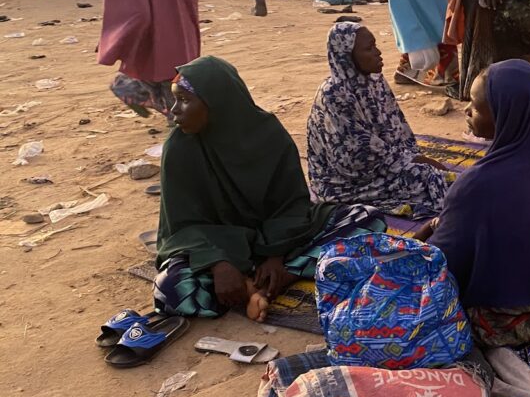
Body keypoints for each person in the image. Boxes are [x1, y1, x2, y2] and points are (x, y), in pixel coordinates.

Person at [154, 56, 384, 321]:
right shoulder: (179, 147)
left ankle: (282, 276)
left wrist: (275, 253)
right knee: (169, 288)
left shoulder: (267, 133)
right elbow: (181, 225)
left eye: (183, 99)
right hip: (218, 247)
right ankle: (253, 284)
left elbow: (292, 202)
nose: (174, 110)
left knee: (366, 219)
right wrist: (218, 263)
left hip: (281, 238)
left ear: (217, 102)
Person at [416, 60, 530, 348]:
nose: (466, 110)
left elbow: (442, 263)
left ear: (505, 115)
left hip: (502, 324)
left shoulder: (477, 184)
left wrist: (424, 233)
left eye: (475, 106)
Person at [307, 23, 449, 218]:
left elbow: (397, 125)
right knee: (427, 179)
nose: (378, 52)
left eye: (375, 45)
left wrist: (410, 157)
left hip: (383, 163)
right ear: (347, 56)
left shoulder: (375, 82)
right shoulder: (334, 95)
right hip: (344, 182)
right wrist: (411, 162)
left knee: (433, 176)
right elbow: (354, 158)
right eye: (369, 49)